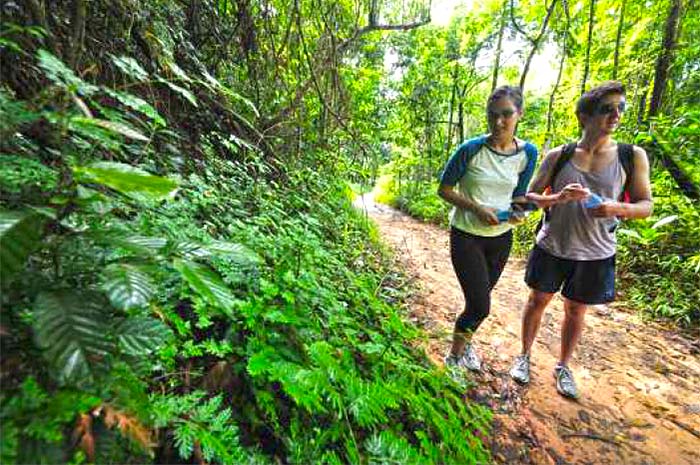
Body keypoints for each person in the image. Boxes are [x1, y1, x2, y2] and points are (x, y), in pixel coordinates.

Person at [509, 81, 653, 398]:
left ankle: (563, 366)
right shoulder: (559, 155)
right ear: (583, 117)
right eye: (606, 109)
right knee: (537, 301)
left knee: (576, 310)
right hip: (552, 245)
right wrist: (557, 198)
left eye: (620, 108)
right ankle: (524, 356)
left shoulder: (632, 156)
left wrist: (617, 207)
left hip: (597, 252)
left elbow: (646, 206)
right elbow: (529, 197)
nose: (616, 115)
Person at [439, 85, 538, 372]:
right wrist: (477, 208)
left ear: (519, 114)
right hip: (466, 235)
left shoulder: (527, 153)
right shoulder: (470, 150)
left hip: (500, 239)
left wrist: (520, 213)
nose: (498, 122)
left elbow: (518, 196)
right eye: (492, 115)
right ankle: (454, 358)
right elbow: (444, 190)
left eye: (506, 114)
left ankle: (465, 345)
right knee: (480, 306)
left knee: (478, 301)